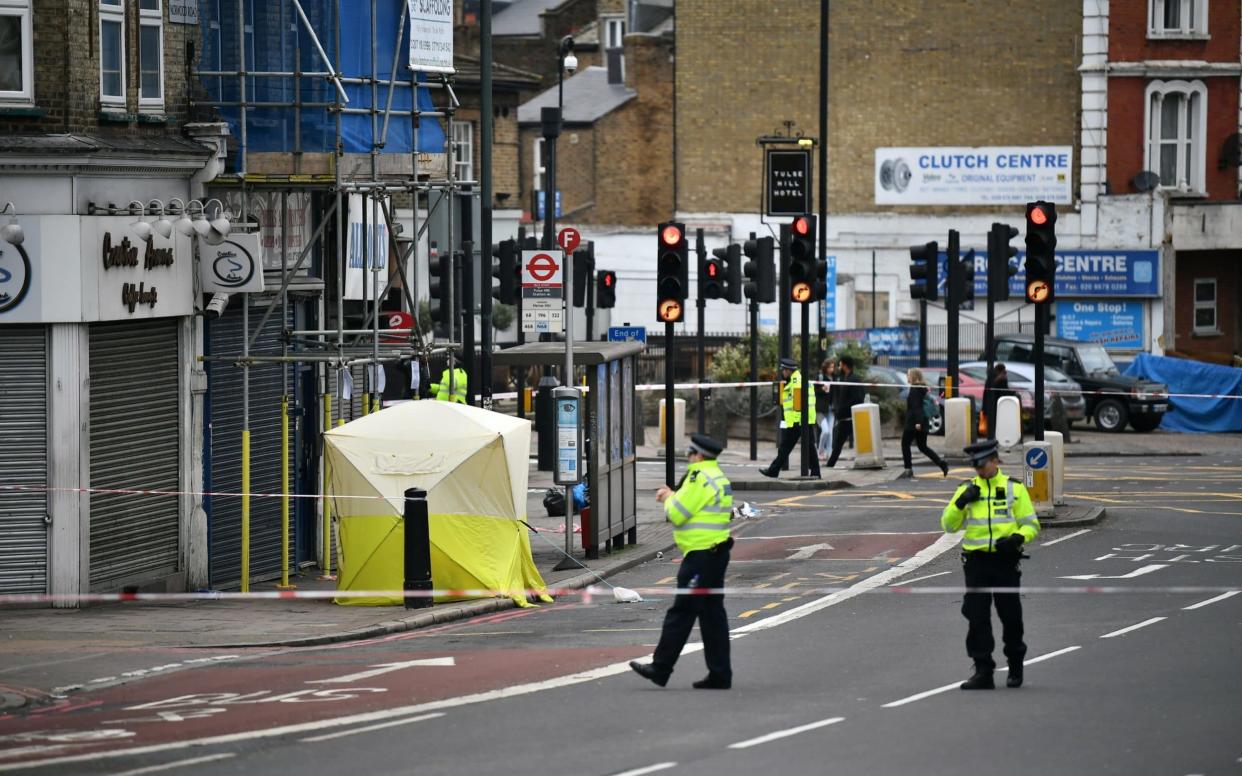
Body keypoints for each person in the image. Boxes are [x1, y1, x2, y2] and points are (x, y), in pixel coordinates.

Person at [631, 434, 734, 689]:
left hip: (700, 555)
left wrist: (668, 497)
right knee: (712, 615)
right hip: (716, 552)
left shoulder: (698, 476)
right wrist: (677, 494)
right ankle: (720, 674)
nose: (688, 458)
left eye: (690, 453)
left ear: (697, 455)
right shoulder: (717, 475)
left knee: (682, 611)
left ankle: (660, 668)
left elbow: (678, 514)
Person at [940, 439, 1040, 690]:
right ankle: (983, 670)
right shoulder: (968, 488)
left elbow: (1031, 524)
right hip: (976, 563)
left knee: (1011, 617)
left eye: (982, 464)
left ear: (995, 460)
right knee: (977, 618)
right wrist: (961, 502)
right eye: (975, 466)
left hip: (1005, 561)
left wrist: (1018, 537)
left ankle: (1015, 663)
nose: (979, 470)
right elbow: (948, 525)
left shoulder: (1013, 489)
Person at [759, 357, 820, 479]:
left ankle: (774, 470)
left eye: (783, 370)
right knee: (790, 448)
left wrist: (795, 421)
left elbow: (799, 404)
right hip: (800, 420)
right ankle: (774, 470)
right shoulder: (795, 380)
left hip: (798, 420)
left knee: (795, 447)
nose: (782, 372)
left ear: (788, 370)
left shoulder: (797, 382)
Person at [902, 368, 949, 478]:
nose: (907, 377)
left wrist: (917, 423)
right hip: (923, 421)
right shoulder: (922, 388)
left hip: (914, 423)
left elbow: (916, 408)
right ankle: (941, 464)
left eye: (908, 375)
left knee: (905, 444)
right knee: (923, 447)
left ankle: (908, 469)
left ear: (913, 376)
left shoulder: (915, 389)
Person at [824, 355, 865, 468]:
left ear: (845, 365)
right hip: (844, 417)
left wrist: (843, 408)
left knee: (846, 442)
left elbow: (858, 398)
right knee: (838, 443)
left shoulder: (854, 379)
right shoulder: (843, 378)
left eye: (840, 364)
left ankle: (831, 464)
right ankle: (830, 464)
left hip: (851, 417)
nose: (839, 366)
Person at [981, 363, 1014, 439]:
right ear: (1000, 371)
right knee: (995, 423)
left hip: (991, 405)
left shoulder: (992, 378)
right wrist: (1013, 393)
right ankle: (993, 438)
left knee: (993, 424)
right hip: (996, 405)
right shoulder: (999, 379)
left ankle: (992, 437)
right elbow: (1003, 391)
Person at [815, 358, 836, 463]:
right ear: (825, 367)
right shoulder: (820, 376)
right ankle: (820, 451)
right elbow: (814, 389)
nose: (832, 369)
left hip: (831, 408)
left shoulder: (834, 378)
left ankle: (830, 454)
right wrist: (822, 389)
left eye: (833, 367)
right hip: (819, 409)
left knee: (830, 432)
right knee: (825, 431)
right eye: (830, 367)